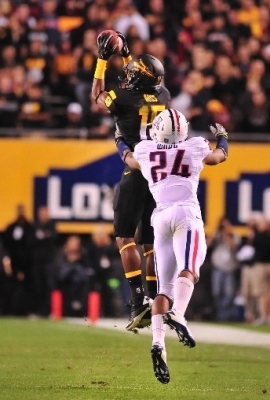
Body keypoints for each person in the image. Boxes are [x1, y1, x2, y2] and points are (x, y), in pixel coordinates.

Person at [119, 108, 229, 384]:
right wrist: (223, 137)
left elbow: (130, 160)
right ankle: (178, 315)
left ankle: (158, 343)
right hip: (186, 215)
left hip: (161, 219)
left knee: (164, 289)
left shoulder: (145, 149)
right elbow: (219, 156)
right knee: (190, 269)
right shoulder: (194, 147)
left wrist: (120, 140)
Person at [91, 30, 171, 331]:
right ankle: (154, 299)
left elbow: (97, 97)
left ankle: (138, 303)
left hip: (136, 168)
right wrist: (125, 55)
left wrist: (102, 60)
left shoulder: (122, 98)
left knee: (125, 238)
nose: (130, 72)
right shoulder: (163, 95)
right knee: (150, 244)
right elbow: (137, 79)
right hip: (160, 173)